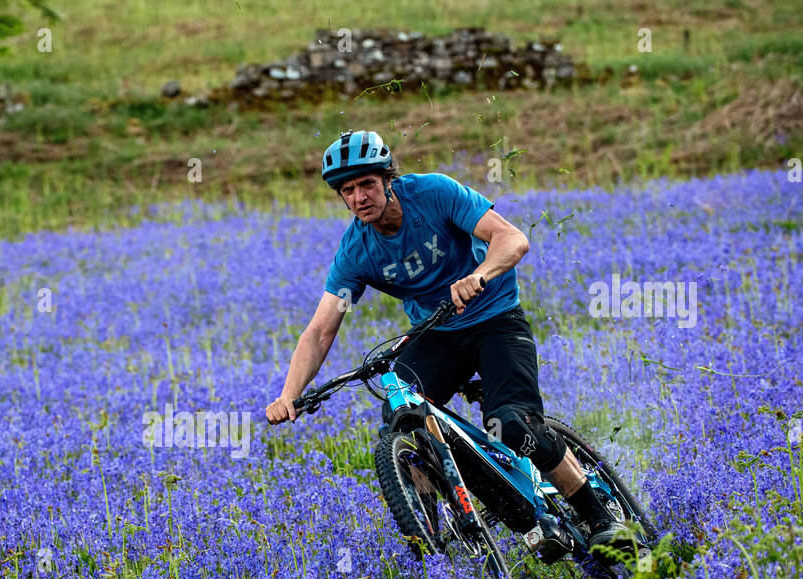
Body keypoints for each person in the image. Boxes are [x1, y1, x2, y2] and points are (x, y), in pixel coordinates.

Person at [264, 129, 630, 555]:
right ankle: (475, 526)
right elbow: (321, 329)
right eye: (348, 190)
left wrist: (479, 276)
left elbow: (512, 238)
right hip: (437, 335)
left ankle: (599, 515)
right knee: (402, 411)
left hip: (496, 320)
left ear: (388, 178)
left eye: (367, 183)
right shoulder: (356, 252)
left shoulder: (434, 193)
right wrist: (289, 395)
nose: (360, 196)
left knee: (512, 423)